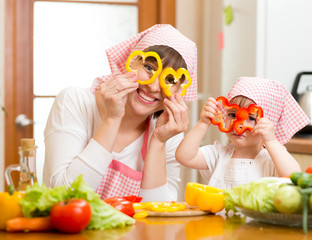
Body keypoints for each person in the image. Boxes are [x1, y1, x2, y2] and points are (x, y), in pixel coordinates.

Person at [43, 24, 198, 202]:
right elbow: (64, 197)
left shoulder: (167, 132)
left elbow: (160, 215)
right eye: (148, 67)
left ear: (179, 90)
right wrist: (112, 119)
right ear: (130, 62)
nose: (154, 86)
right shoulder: (75, 101)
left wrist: (158, 141)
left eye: (170, 79)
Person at [175, 77, 309, 189]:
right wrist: (203, 123)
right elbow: (184, 156)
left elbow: (293, 177)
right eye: (233, 114)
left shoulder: (271, 159)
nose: (238, 124)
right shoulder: (219, 154)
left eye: (251, 118)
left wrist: (271, 141)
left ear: (267, 124)